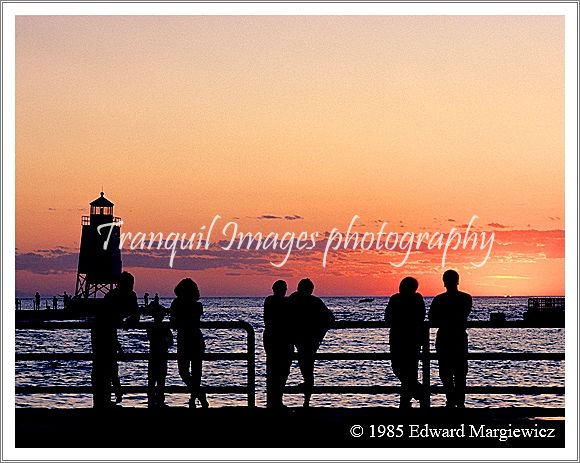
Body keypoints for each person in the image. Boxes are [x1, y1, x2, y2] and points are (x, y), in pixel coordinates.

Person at [90, 271, 140, 408]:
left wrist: (129, 320)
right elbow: (135, 315)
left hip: (104, 329)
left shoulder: (117, 295)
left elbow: (135, 315)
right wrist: (128, 321)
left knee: (104, 365)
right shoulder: (118, 296)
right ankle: (105, 399)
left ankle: (103, 400)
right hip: (103, 330)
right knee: (106, 365)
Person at [429, 269, 472, 409]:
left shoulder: (438, 299)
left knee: (445, 371)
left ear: (444, 282)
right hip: (459, 337)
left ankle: (450, 400)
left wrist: (444, 320)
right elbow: (463, 314)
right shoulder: (466, 298)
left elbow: (432, 318)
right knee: (460, 372)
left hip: (444, 337)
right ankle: (459, 402)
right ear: (458, 281)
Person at [288, 278, 335, 407]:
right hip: (308, 339)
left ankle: (307, 398)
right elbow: (330, 318)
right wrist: (320, 334)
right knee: (307, 366)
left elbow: (330, 318)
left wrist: (319, 334)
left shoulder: (296, 299)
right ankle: (307, 398)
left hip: (303, 339)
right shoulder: (313, 301)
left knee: (306, 366)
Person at [384, 277, 426, 409]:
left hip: (400, 337)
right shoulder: (417, 299)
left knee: (399, 367)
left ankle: (409, 398)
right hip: (412, 338)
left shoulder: (396, 299)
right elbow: (421, 316)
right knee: (409, 369)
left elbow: (387, 317)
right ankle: (416, 393)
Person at [170, 278, 208, 409]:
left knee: (184, 372)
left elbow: (173, 322)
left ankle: (197, 396)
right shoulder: (197, 305)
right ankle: (197, 397)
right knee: (196, 373)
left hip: (184, 339)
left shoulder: (176, 304)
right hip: (196, 339)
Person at [263, 280, 294, 408]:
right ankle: (276, 400)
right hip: (281, 339)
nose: (284, 290)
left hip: (272, 338)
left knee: (274, 370)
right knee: (281, 370)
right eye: (284, 288)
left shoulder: (269, 301)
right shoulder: (282, 302)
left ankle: (273, 400)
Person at [146, 303, 173, 408]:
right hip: (161, 354)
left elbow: (169, 341)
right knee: (159, 378)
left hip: (154, 354)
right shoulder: (165, 328)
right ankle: (158, 399)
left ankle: (152, 399)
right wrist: (164, 342)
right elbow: (171, 341)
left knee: (154, 378)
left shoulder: (150, 327)